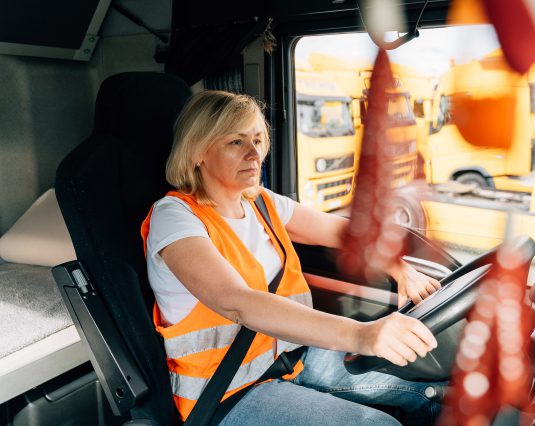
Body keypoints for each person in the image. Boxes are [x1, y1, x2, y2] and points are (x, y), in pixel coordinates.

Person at [141, 90, 444, 425]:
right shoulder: (174, 216)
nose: (255, 154)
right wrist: (362, 334)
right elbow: (235, 301)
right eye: (236, 142)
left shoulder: (261, 203)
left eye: (257, 140)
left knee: (428, 397)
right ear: (198, 151)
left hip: (294, 358)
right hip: (228, 390)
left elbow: (346, 233)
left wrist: (398, 267)